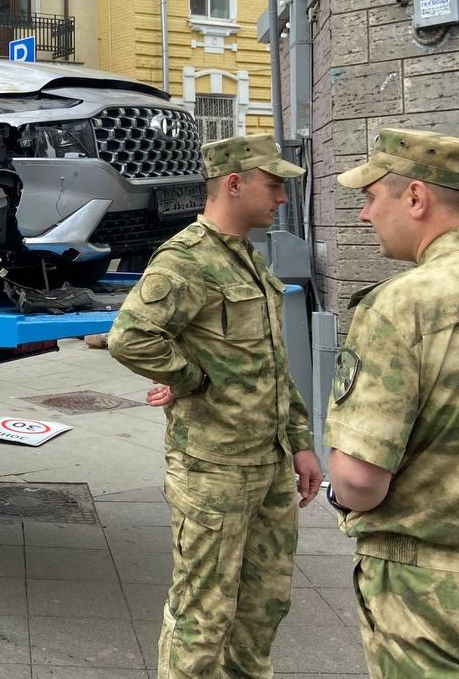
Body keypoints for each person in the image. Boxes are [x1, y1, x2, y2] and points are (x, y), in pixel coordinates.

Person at [326, 129, 459, 677]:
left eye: (371, 197)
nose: (363, 215)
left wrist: (340, 494)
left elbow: (358, 479)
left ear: (416, 198)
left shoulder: (400, 306)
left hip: (431, 599)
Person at [108, 133, 324, 679]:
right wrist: (191, 378)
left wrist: (300, 443)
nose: (280, 197)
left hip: (269, 463)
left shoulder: (249, 258)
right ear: (234, 183)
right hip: (213, 468)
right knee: (202, 617)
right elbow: (130, 337)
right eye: (272, 185)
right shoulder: (187, 260)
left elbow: (275, 364)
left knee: (264, 608)